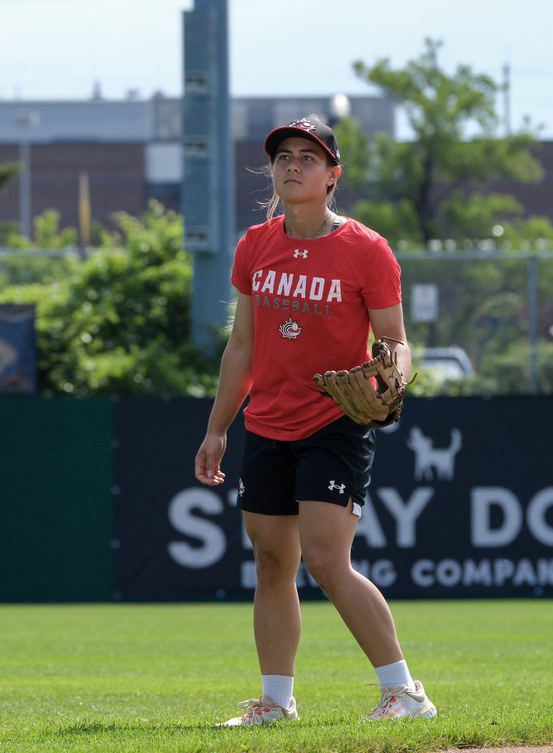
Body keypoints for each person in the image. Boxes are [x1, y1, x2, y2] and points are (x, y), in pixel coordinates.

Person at [194, 115, 436, 726]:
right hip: (269, 423)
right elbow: (242, 346)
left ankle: (405, 693)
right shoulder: (256, 245)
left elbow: (396, 341)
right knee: (272, 563)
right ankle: (276, 702)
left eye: (309, 156)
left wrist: (392, 374)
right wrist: (218, 427)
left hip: (335, 422)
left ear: (333, 175)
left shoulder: (366, 249)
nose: (293, 165)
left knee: (328, 561)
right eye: (283, 156)